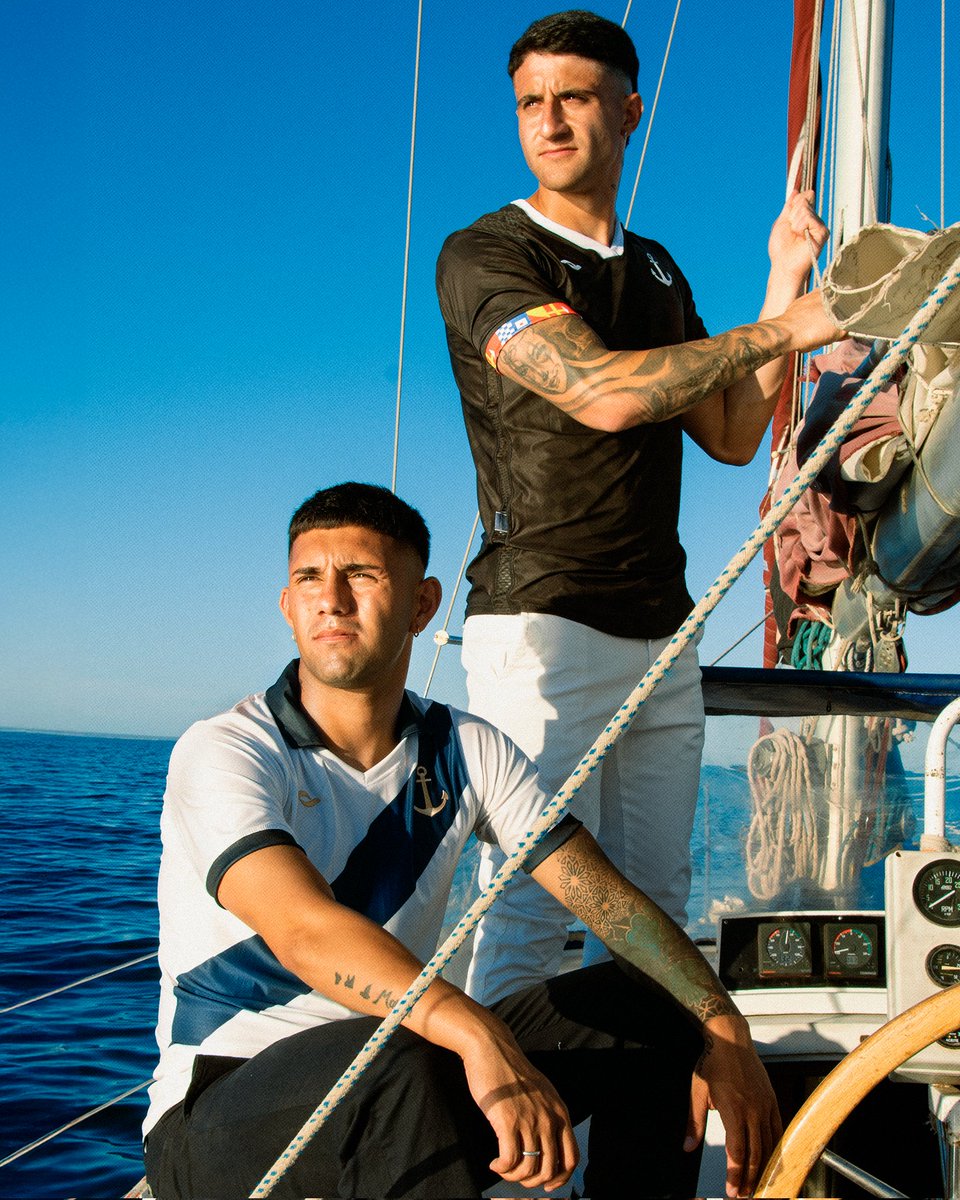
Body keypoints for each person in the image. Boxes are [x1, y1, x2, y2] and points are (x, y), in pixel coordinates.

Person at [143, 481, 780, 1200]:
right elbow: (303, 931)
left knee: (647, 1003)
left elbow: (603, 901)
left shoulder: (465, 749)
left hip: (402, 1057)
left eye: (362, 575)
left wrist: (723, 1025)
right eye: (309, 579)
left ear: (422, 605)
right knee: (398, 1068)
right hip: (219, 1110)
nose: (332, 599)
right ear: (288, 606)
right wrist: (476, 1034)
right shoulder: (230, 750)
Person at [435, 9, 842, 1004]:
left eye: (573, 97)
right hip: (542, 624)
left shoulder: (658, 269)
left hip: (660, 633)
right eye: (531, 102)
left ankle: (632, 1154)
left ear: (628, 111)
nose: (550, 121)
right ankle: (515, 1163)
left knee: (652, 909)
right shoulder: (488, 255)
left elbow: (734, 433)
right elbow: (604, 393)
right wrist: (789, 326)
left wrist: (783, 282)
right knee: (529, 912)